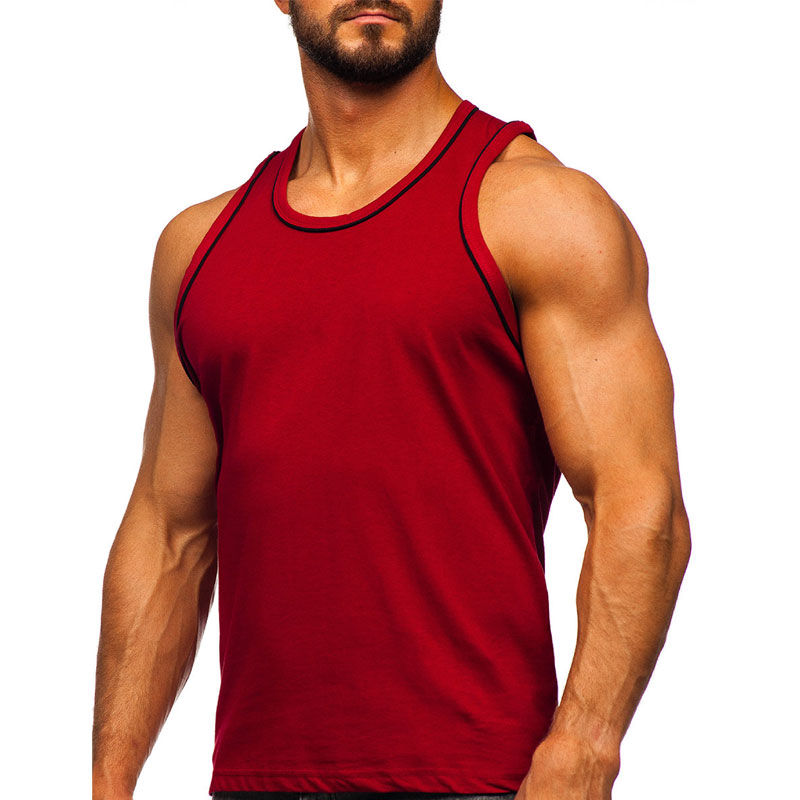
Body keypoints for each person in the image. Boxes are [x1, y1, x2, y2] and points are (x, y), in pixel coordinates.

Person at [91, 2, 692, 799]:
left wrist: (584, 749)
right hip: (253, 781)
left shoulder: (539, 212)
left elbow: (638, 501)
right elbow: (171, 531)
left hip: (478, 780)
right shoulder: (201, 248)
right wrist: (108, 784)